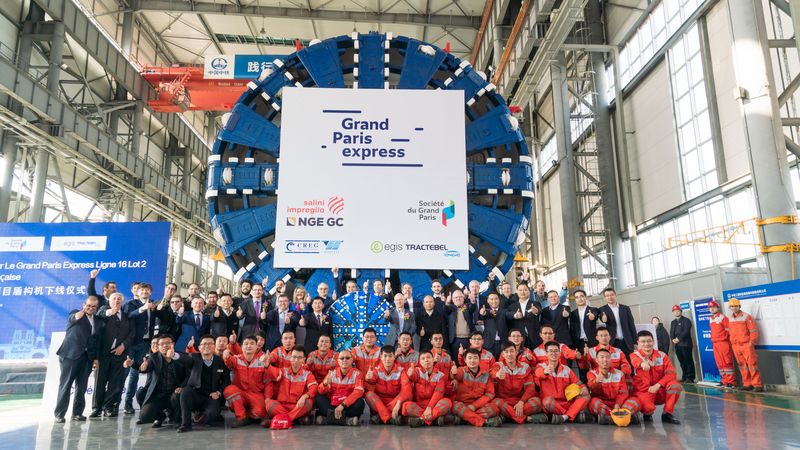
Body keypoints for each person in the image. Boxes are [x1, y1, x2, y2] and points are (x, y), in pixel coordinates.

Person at [54, 296, 99, 423]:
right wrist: (80, 313)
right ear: (83, 304)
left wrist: (95, 358)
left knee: (82, 387)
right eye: (88, 305)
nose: (91, 308)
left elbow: (95, 340)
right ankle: (59, 414)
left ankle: (77, 413)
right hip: (70, 355)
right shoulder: (76, 313)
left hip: (87, 357)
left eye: (94, 306)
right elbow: (74, 317)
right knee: (66, 385)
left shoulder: (96, 320)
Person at [176, 335, 231, 432]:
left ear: (214, 346)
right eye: (204, 344)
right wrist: (174, 355)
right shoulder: (194, 357)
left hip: (211, 396)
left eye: (210, 343)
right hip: (196, 394)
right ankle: (185, 424)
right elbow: (185, 359)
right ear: (199, 348)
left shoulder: (220, 361)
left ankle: (201, 415)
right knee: (185, 392)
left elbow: (227, 381)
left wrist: (218, 393)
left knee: (211, 416)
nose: (207, 346)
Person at [91, 292, 134, 418]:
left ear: (122, 302)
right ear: (109, 301)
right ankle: (96, 408)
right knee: (99, 382)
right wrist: (110, 312)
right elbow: (100, 314)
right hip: (103, 355)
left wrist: (123, 346)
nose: (117, 300)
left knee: (114, 383)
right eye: (114, 298)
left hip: (119, 355)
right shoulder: (104, 312)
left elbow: (132, 334)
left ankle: (108, 407)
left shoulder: (127, 316)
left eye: (119, 299)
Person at [222, 335, 278, 427]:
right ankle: (241, 417)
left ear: (256, 347)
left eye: (252, 343)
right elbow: (228, 361)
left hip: (256, 394)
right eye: (246, 344)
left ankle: (248, 415)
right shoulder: (236, 359)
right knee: (229, 390)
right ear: (241, 347)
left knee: (260, 412)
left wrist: (267, 398)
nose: (249, 346)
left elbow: (268, 382)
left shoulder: (262, 362)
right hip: (240, 393)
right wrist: (226, 356)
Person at [132, 335, 186, 427]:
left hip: (175, 393)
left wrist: (182, 387)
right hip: (158, 395)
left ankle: (177, 419)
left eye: (168, 343)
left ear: (173, 344)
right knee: (144, 417)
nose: (165, 346)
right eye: (162, 344)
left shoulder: (179, 357)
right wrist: (141, 367)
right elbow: (147, 367)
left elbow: (188, 375)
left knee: (177, 395)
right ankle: (160, 416)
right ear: (159, 346)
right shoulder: (153, 357)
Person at [629, 330, 682, 424]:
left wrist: (658, 385)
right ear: (638, 343)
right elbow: (635, 362)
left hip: (660, 389)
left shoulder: (662, 355)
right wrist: (642, 364)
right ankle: (647, 413)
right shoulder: (634, 355)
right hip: (645, 390)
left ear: (653, 341)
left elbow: (671, 374)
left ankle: (667, 414)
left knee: (675, 386)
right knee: (648, 408)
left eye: (649, 341)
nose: (646, 344)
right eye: (643, 341)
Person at [123, 282, 158, 414]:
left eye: (147, 290)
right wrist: (143, 308)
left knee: (135, 374)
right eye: (142, 290)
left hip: (145, 343)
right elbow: (129, 315)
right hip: (131, 343)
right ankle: (113, 403)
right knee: (124, 373)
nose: (144, 292)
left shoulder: (153, 304)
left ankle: (128, 403)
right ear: (138, 292)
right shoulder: (131, 304)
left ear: (150, 292)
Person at [534, 341, 590, 424]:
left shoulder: (566, 369)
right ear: (546, 353)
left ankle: (564, 417)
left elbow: (578, 383)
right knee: (546, 402)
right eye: (551, 351)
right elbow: (538, 374)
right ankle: (572, 414)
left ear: (560, 353)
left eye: (556, 351)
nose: (554, 353)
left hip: (567, 403)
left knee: (586, 396)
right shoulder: (541, 366)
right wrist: (545, 372)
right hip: (552, 404)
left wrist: (583, 387)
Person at [263, 346, 318, 425]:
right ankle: (293, 419)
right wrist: (267, 366)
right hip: (282, 406)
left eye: (299, 358)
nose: (296, 360)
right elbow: (273, 372)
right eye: (294, 357)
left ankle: (280, 420)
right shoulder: (284, 371)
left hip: (297, 406)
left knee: (309, 402)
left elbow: (314, 388)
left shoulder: (307, 374)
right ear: (290, 358)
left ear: (304, 359)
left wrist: (304, 396)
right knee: (269, 404)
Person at [587, 348, 642, 425]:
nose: (605, 360)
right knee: (593, 403)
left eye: (607, 357)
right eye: (602, 357)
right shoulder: (592, 373)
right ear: (597, 360)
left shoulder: (619, 373)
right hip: (604, 404)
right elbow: (591, 387)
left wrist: (617, 404)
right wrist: (596, 381)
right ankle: (624, 417)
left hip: (619, 404)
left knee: (636, 401)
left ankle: (609, 419)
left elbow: (623, 393)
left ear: (611, 359)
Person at [450, 348, 502, 427]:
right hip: (463, 404)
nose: (472, 360)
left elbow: (489, 394)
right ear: (465, 360)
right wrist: (453, 373)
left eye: (475, 358)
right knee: (455, 406)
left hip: (478, 405)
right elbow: (456, 376)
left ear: (479, 359)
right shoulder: (462, 370)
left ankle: (464, 419)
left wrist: (474, 406)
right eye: (469, 358)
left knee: (494, 409)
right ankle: (484, 422)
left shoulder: (486, 375)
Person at [401, 350, 453, 427]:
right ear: (420, 362)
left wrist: (429, 407)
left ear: (433, 359)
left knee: (447, 402)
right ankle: (433, 419)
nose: (426, 360)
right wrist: (410, 375)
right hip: (419, 405)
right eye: (423, 358)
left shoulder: (440, 375)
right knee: (405, 406)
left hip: (435, 405)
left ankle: (421, 419)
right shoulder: (417, 371)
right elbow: (413, 377)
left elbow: (438, 393)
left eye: (428, 357)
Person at [315, 349, 365, 426]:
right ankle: (347, 421)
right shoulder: (332, 373)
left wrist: (342, 405)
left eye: (347, 358)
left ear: (352, 360)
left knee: (360, 402)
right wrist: (324, 384)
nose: (344, 360)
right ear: (338, 361)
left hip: (347, 406)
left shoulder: (357, 374)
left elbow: (358, 392)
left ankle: (327, 419)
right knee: (319, 398)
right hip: (332, 405)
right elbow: (321, 391)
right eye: (342, 358)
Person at [364, 345, 408, 425]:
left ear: (394, 357)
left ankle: (380, 416)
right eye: (385, 356)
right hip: (380, 403)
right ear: (381, 357)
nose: (387, 359)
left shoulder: (401, 371)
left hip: (395, 402)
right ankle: (389, 418)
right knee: (368, 394)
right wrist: (368, 378)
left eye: (390, 356)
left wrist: (398, 404)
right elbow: (371, 380)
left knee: (406, 394)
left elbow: (406, 390)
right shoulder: (376, 369)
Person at [727, 298, 763, 392]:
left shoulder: (746, 317)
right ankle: (747, 384)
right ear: (730, 308)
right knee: (742, 365)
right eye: (732, 306)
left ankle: (757, 385)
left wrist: (751, 343)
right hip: (736, 346)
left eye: (736, 306)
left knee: (752, 365)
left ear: (739, 306)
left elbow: (753, 331)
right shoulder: (730, 318)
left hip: (746, 345)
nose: (734, 308)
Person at [598, 288, 638, 357]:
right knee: (615, 362)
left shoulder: (625, 308)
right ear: (605, 298)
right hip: (613, 342)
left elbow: (631, 325)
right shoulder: (602, 309)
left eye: (612, 295)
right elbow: (602, 318)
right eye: (607, 296)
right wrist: (603, 318)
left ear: (615, 295)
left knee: (629, 362)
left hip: (627, 342)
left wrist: (635, 342)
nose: (610, 297)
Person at [708, 300, 736, 388]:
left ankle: (731, 382)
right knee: (719, 363)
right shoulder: (711, 318)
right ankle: (724, 381)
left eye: (713, 307)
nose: (712, 309)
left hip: (723, 343)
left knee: (727, 362)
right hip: (715, 344)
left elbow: (729, 331)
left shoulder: (723, 318)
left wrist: (727, 341)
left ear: (718, 308)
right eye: (710, 307)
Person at [505, 283, 541, 349]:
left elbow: (539, 310)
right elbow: (507, 315)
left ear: (529, 291)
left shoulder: (535, 303)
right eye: (520, 290)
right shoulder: (512, 306)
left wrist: (535, 311)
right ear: (517, 291)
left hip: (534, 337)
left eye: (525, 290)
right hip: (519, 339)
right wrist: (515, 315)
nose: (522, 292)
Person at [476, 293, 507, 358]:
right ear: (488, 301)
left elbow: (510, 315)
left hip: (503, 344)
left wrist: (516, 315)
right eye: (491, 299)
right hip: (489, 344)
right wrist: (483, 313)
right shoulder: (486, 311)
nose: (494, 301)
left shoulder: (504, 311)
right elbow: (483, 315)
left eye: (496, 299)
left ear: (499, 300)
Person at [446, 290, 476, 358]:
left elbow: (472, 307)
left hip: (468, 339)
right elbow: (445, 309)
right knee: (455, 360)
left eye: (460, 297)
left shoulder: (467, 307)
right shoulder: (450, 308)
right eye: (456, 297)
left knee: (468, 359)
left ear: (464, 298)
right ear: (452, 299)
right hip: (454, 340)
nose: (458, 299)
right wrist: (447, 302)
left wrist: (473, 301)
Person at [670, 305, 695, 383]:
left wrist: (678, 339)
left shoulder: (686, 320)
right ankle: (684, 376)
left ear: (681, 311)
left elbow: (686, 331)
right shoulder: (673, 322)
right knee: (682, 362)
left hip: (686, 345)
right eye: (674, 311)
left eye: (678, 311)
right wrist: (673, 339)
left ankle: (690, 377)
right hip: (677, 345)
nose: (676, 312)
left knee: (688, 361)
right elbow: (671, 332)